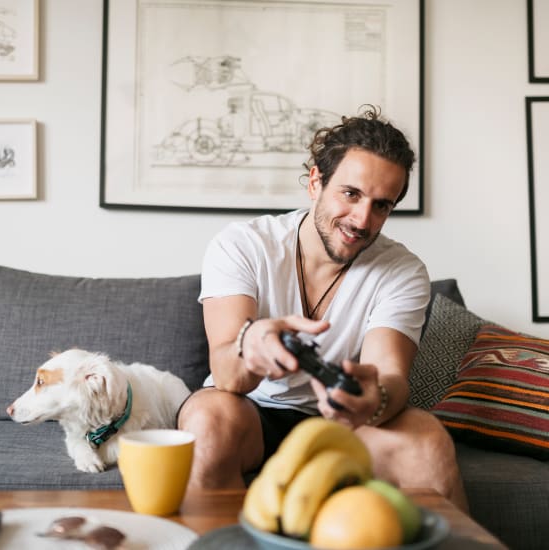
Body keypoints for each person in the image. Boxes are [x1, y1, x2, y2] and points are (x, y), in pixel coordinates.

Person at [177, 106, 468, 512]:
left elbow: (391, 376)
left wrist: (377, 397)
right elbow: (227, 372)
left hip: (347, 422)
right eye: (351, 194)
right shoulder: (243, 245)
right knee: (207, 421)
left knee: (428, 438)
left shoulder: (403, 271)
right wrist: (252, 342)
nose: (362, 220)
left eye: (382, 205)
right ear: (316, 181)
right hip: (250, 411)